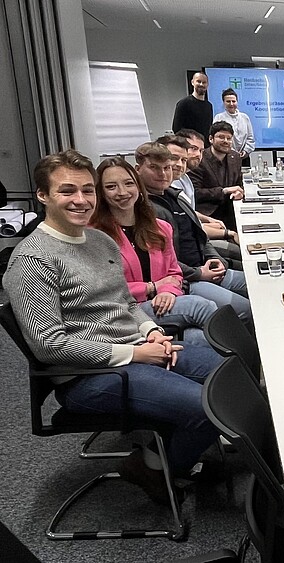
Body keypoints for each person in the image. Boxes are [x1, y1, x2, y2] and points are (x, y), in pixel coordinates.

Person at [3, 149, 222, 505]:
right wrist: (136, 353)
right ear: (43, 196)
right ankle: (153, 470)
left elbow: (125, 304)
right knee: (206, 407)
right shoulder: (33, 258)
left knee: (228, 374)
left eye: (88, 190)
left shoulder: (100, 240)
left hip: (134, 349)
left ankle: (160, 455)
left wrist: (151, 331)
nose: (81, 200)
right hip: (87, 375)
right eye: (67, 191)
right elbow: (48, 344)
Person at [91, 157, 218, 346]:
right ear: (100, 192)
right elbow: (103, 288)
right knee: (201, 306)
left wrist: (168, 290)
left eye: (128, 184)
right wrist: (153, 287)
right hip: (127, 309)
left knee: (200, 340)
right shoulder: (94, 235)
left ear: (138, 187)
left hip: (162, 304)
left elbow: (173, 272)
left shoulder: (160, 227)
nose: (122, 192)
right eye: (111, 187)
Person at [136, 142, 253, 326]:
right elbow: (163, 263)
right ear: (138, 170)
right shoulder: (145, 210)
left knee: (260, 283)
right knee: (246, 310)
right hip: (188, 280)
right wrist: (199, 273)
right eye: (154, 168)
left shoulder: (174, 195)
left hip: (206, 268)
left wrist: (215, 259)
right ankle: (250, 353)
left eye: (166, 167)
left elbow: (199, 234)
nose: (163, 173)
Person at [157, 134, 241, 270]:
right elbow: (192, 230)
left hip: (199, 251)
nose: (197, 155)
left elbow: (189, 214)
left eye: (201, 151)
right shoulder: (164, 196)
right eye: (193, 149)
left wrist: (207, 219)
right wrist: (227, 233)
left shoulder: (183, 179)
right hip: (190, 268)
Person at [189, 121, 245, 231]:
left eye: (229, 138)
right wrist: (223, 191)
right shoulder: (199, 159)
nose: (226, 141)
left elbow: (239, 185)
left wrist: (239, 192)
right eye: (221, 137)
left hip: (232, 210)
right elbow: (194, 193)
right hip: (208, 213)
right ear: (211, 139)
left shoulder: (235, 157)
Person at [212, 88, 255, 167]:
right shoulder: (218, 118)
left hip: (243, 158)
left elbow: (250, 138)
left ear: (237, 102)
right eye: (228, 101)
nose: (231, 104)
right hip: (225, 158)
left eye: (233, 101)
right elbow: (216, 139)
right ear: (223, 103)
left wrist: (245, 152)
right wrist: (232, 153)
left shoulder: (245, 117)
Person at [172, 72, 213, 141]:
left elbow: (208, 128)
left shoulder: (209, 106)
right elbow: (176, 128)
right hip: (189, 146)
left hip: (204, 146)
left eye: (204, 82)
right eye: (198, 81)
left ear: (207, 85)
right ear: (192, 82)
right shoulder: (183, 103)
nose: (201, 84)